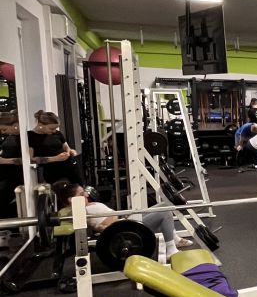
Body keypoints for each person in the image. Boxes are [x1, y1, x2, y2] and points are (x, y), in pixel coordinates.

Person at [52, 180, 190, 262]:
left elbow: (109, 217)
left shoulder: (89, 205)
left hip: (125, 221)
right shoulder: (83, 211)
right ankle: (171, 249)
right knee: (165, 212)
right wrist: (115, 219)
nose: (87, 194)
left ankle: (175, 239)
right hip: (126, 229)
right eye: (82, 194)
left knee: (165, 205)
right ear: (72, 200)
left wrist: (120, 216)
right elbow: (102, 227)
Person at [28, 110, 81, 183]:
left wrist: (71, 152)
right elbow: (31, 159)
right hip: (53, 172)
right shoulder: (31, 136)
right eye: (51, 128)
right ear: (40, 125)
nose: (54, 131)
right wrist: (55, 158)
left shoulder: (57, 134)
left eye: (56, 128)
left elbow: (67, 148)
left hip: (71, 168)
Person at [0, 112, 22, 245]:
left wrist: (3, 161)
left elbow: (23, 160)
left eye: (4, 129)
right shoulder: (12, 139)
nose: (3, 132)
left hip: (12, 178)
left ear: (14, 125)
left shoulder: (14, 140)